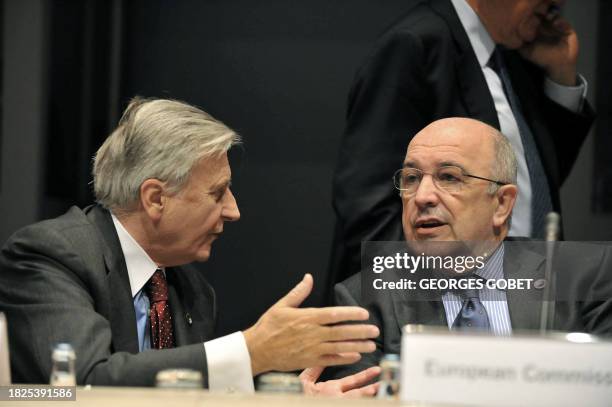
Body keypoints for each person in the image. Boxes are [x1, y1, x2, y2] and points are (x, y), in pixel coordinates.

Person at [0, 97, 381, 394]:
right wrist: (251, 351)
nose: (233, 210)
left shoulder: (191, 291)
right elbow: (82, 384)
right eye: (217, 193)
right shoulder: (51, 255)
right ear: (155, 199)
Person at [329, 0, 595, 286]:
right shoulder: (414, 45)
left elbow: (536, 184)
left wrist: (561, 76)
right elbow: (370, 208)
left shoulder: (513, 57)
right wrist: (450, 304)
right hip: (441, 312)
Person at [328, 117, 612, 379]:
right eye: (411, 179)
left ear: (502, 203)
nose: (422, 196)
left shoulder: (587, 277)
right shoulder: (365, 300)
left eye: (449, 177)